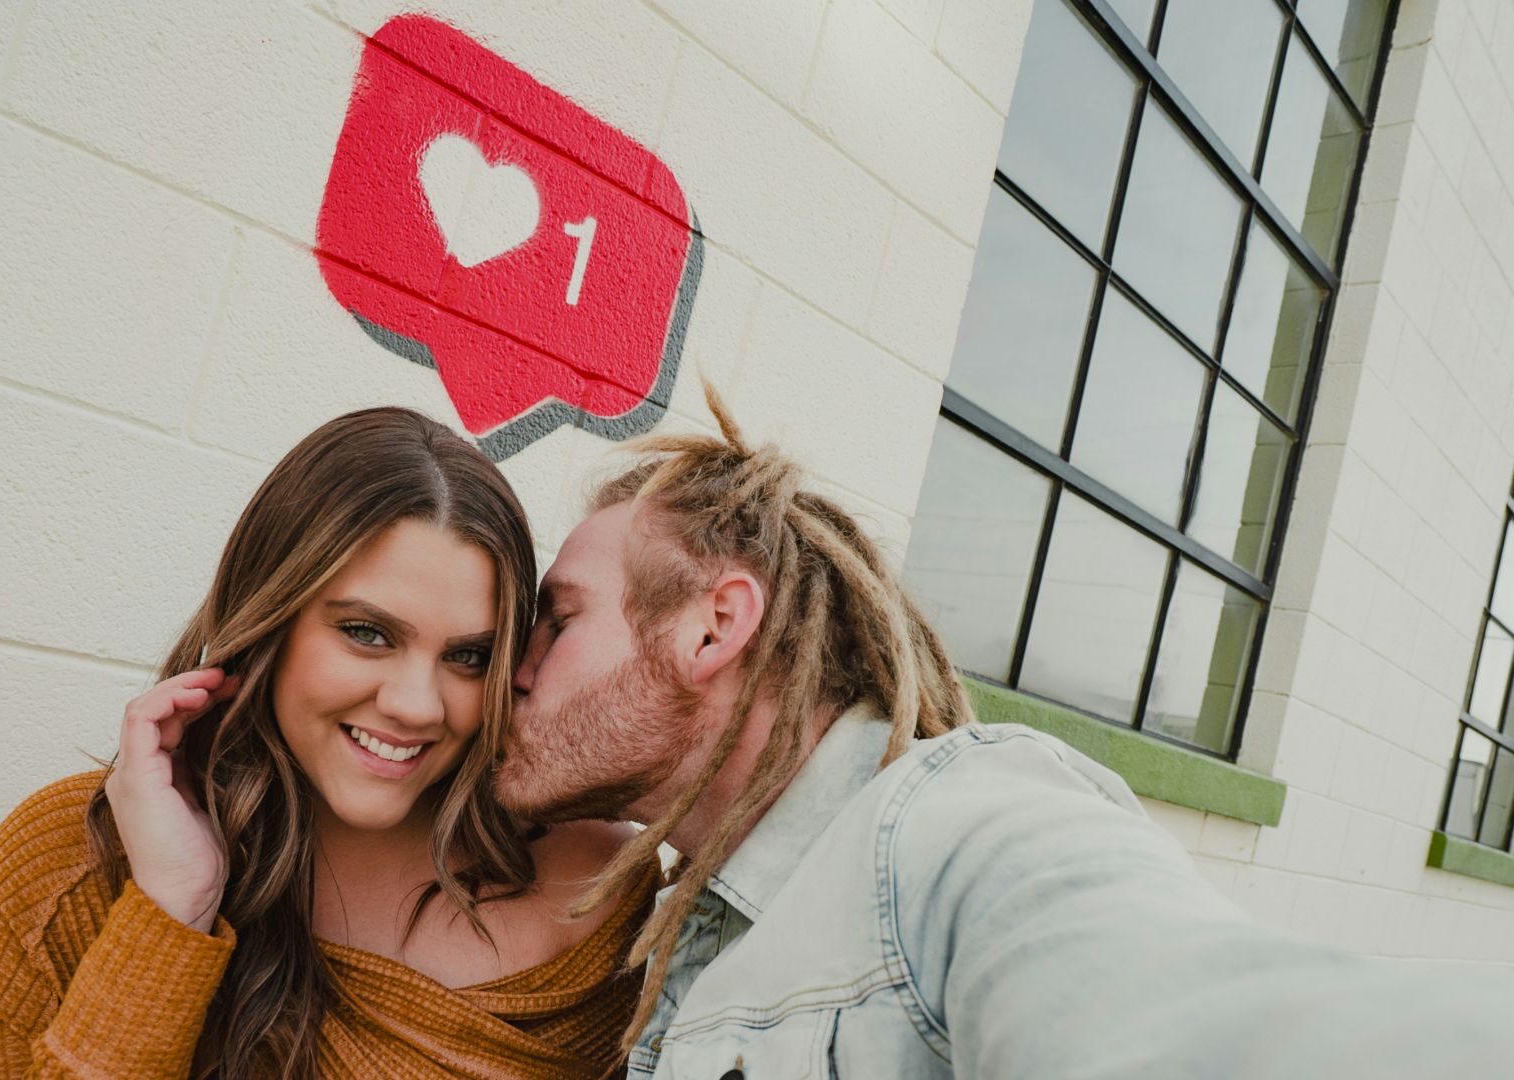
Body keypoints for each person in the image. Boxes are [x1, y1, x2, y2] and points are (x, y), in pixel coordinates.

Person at [494, 386, 1514, 1079]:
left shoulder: (953, 834)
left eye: (563, 615)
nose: (516, 662)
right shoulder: (699, 924)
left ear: (714, 625)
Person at [0, 407, 654, 1079]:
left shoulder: (593, 889)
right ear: (270, 621)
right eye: (367, 634)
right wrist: (171, 914)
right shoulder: (68, 861)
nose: (415, 705)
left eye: (467, 657)